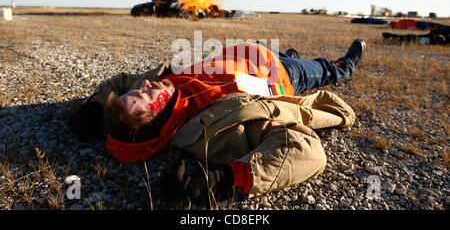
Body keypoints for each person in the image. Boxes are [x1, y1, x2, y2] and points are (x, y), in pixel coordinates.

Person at [69, 39, 366, 206]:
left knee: (276, 49)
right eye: (143, 94)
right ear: (157, 120)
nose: (145, 84)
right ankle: (346, 65)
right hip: (283, 72)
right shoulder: (214, 126)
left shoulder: (163, 89)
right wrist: (224, 179)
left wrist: (95, 106)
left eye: (139, 89)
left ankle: (289, 51)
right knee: (326, 70)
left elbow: (121, 81)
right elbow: (306, 151)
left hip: (247, 51)